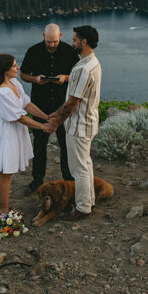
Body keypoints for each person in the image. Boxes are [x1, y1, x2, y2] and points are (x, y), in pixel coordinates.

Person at [0, 53, 50, 216]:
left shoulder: (13, 82)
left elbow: (26, 104)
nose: (17, 67)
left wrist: (46, 117)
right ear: (5, 70)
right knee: (5, 173)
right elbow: (19, 117)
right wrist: (43, 127)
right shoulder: (1, 92)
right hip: (6, 132)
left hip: (13, 131)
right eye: (13, 66)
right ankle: (3, 211)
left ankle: (5, 208)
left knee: (8, 172)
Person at [45, 25, 102, 220]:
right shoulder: (94, 63)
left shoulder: (83, 69)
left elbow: (72, 103)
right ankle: (90, 200)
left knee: (78, 169)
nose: (72, 42)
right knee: (85, 164)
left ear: (84, 41)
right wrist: (57, 113)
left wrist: (56, 121)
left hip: (79, 126)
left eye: (75, 39)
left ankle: (82, 208)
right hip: (89, 122)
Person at [19, 23, 80, 193]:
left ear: (60, 35)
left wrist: (65, 78)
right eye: (48, 41)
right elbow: (23, 74)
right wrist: (36, 79)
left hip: (63, 107)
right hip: (40, 106)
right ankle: (37, 181)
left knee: (66, 144)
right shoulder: (33, 51)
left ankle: (68, 179)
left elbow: (78, 76)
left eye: (54, 41)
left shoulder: (69, 52)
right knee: (39, 145)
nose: (52, 45)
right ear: (43, 36)